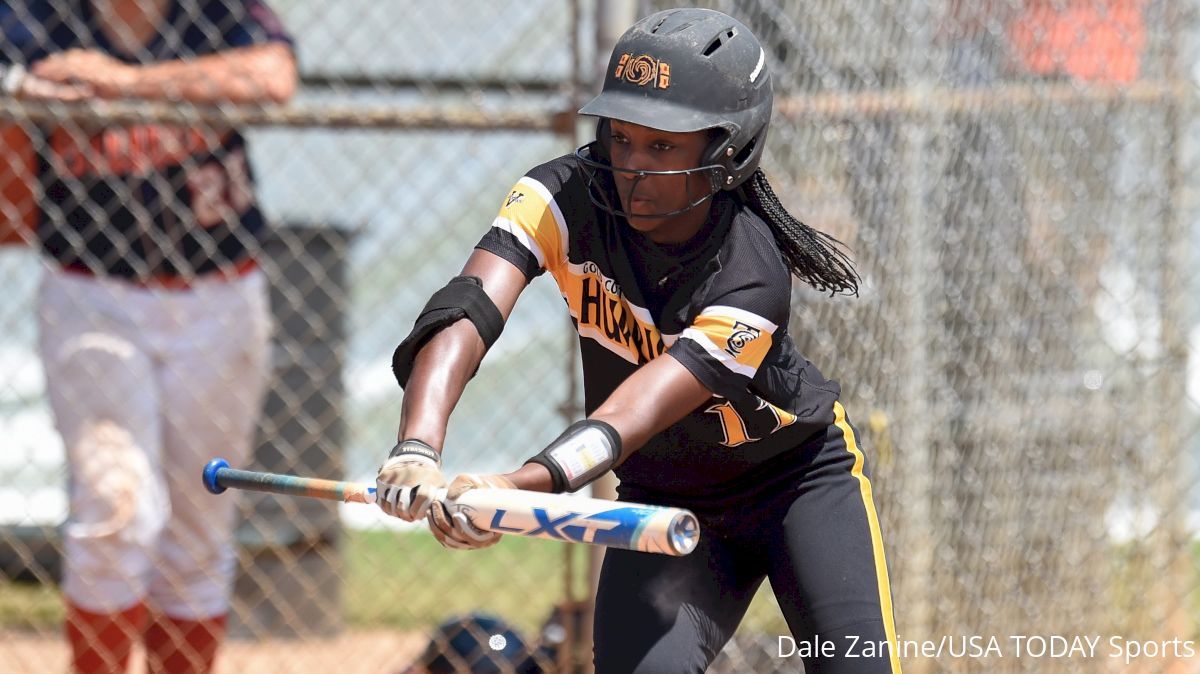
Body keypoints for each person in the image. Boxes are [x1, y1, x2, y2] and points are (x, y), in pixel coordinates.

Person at [376, 8, 900, 674]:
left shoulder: (750, 273)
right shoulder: (559, 196)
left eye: (662, 148)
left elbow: (628, 417)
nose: (632, 168)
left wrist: (514, 489)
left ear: (726, 153)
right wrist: (417, 445)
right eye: (621, 139)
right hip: (665, 494)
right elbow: (470, 307)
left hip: (795, 484)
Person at [0, 1, 296, 672]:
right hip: (91, 293)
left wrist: (119, 84)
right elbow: (10, 217)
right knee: (115, 510)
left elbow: (274, 76)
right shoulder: (33, 17)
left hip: (219, 292)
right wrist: (18, 98)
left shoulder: (211, 10)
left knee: (198, 530)